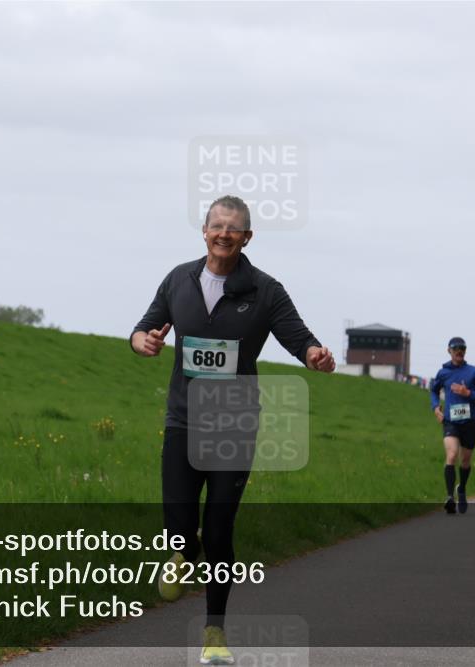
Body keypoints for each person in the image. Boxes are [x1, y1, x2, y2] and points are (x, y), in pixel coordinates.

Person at [131, 195, 335, 665]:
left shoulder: (265, 291)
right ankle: (184, 552)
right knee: (180, 531)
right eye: (216, 225)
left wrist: (315, 357)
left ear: (247, 238)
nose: (224, 233)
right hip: (183, 420)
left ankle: (214, 634)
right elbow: (143, 329)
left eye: (234, 228)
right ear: (204, 231)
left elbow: (299, 338)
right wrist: (143, 341)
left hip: (234, 423)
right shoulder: (178, 280)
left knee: (219, 530)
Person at [430, 337, 475, 515]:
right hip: (450, 421)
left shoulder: (474, 372)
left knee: (465, 461)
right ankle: (450, 497)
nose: (460, 351)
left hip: (470, 422)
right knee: (452, 454)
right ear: (449, 350)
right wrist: (435, 407)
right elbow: (433, 390)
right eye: (456, 348)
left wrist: (468, 393)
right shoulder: (443, 373)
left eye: (462, 348)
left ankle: (462, 488)